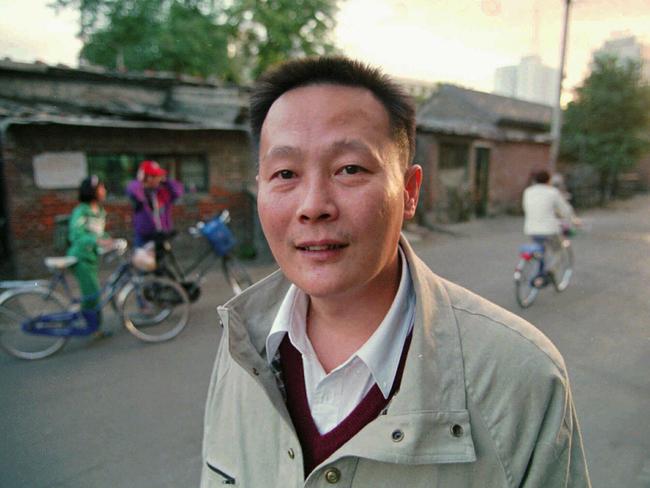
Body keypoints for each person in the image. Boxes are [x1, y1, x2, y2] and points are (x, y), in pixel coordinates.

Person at [201, 57, 591, 487]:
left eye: (349, 169)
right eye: (285, 173)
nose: (313, 206)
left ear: (409, 192)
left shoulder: (522, 378)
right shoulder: (242, 344)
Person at [67, 175, 113, 328]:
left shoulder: (99, 211)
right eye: (101, 188)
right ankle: (92, 327)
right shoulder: (81, 211)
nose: (104, 190)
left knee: (93, 292)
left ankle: (94, 326)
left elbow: (98, 233)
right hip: (80, 257)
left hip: (91, 257)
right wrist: (96, 241)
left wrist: (110, 241)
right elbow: (76, 234)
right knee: (92, 294)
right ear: (92, 191)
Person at [523, 170, 576, 284]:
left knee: (541, 251)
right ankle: (549, 273)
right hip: (549, 230)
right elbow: (565, 210)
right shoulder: (552, 192)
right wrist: (572, 221)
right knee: (559, 250)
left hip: (531, 229)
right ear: (548, 180)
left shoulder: (528, 191)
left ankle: (539, 275)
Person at [126, 160, 183, 248]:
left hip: (161, 236)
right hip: (144, 239)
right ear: (148, 177)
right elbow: (132, 190)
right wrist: (141, 179)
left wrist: (165, 180)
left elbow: (178, 191)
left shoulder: (162, 192)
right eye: (156, 176)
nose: (159, 179)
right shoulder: (139, 192)